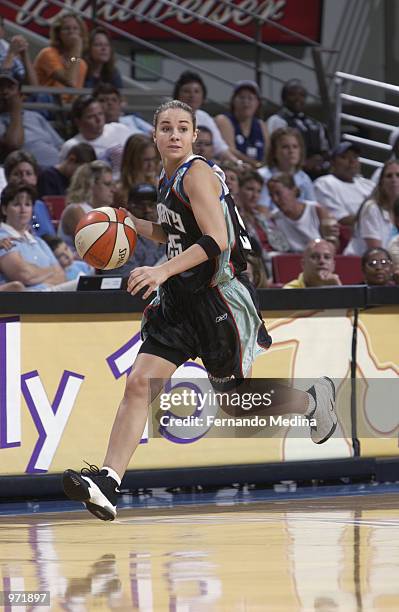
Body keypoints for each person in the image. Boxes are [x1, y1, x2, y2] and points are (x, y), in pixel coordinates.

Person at [62, 100, 337, 521]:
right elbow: (175, 232)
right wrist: (134, 225)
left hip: (217, 297)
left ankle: (310, 401)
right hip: (180, 299)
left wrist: (159, 271)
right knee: (139, 384)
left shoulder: (198, 173)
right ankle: (108, 483)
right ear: (154, 136)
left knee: (232, 399)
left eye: (182, 128)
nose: (174, 134)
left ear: (193, 136)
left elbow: (217, 240)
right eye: (166, 128)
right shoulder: (167, 175)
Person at [0, 183, 65, 290]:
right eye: (16, 204)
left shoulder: (39, 242)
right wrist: (51, 271)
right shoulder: (3, 239)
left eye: (27, 204)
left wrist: (36, 276)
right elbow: (24, 275)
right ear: (4, 209)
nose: (23, 209)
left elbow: (62, 277)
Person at [266, 79, 330, 178]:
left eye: (302, 95)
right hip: (288, 172)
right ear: (284, 98)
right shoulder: (276, 120)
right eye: (292, 94)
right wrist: (303, 163)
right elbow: (273, 149)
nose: (298, 98)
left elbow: (326, 150)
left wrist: (319, 160)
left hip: (317, 172)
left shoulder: (315, 124)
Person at [59, 94, 131, 179]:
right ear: (78, 121)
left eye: (100, 114)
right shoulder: (71, 146)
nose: (98, 120)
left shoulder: (119, 129)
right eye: (91, 116)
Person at [0, 70, 63, 165]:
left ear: (20, 93)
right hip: (30, 173)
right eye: (0, 88)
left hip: (58, 166)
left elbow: (60, 145)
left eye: (10, 87)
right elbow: (13, 144)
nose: (5, 92)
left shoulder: (36, 116)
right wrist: (16, 110)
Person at [174, 70, 237, 162]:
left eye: (196, 91)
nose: (192, 95)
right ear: (177, 96)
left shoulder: (204, 117)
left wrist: (238, 163)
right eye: (186, 91)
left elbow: (220, 147)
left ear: (203, 96)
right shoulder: (168, 117)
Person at [268, 173, 340, 252]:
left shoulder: (318, 211)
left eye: (278, 193)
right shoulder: (274, 219)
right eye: (271, 195)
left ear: (294, 190)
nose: (275, 199)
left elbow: (332, 246)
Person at [344, 160, 399, 256]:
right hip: (359, 265)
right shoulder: (371, 208)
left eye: (398, 175)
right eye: (389, 176)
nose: (394, 179)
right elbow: (377, 253)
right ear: (381, 183)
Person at [313, 142, 374, 226]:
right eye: (344, 157)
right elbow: (340, 220)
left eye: (355, 157)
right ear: (333, 162)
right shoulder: (324, 184)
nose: (352, 161)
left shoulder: (368, 185)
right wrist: (374, 219)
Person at [58, 160, 115, 249]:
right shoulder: (75, 210)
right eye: (107, 184)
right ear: (90, 184)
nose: (113, 190)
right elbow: (92, 248)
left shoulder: (109, 212)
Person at [258, 127, 316, 209]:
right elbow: (261, 209)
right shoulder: (262, 175)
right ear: (274, 151)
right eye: (285, 147)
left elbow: (312, 208)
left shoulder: (304, 178)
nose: (291, 151)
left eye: (295, 147)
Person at [34, 12, 88, 100]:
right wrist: (77, 49)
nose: (71, 32)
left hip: (65, 109)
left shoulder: (80, 63)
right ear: (58, 34)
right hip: (43, 105)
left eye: (75, 28)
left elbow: (75, 94)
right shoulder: (49, 53)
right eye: (66, 28)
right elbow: (70, 82)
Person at [215, 80, 269, 167]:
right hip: (234, 169)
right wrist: (255, 164)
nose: (246, 102)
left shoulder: (261, 125)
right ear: (233, 101)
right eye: (241, 97)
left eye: (250, 98)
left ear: (258, 103)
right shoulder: (223, 120)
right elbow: (229, 150)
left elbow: (267, 153)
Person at [3, 150, 55, 237]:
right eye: (17, 174)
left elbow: (51, 236)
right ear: (8, 178)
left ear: (35, 178)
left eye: (28, 173)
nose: (24, 178)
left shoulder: (40, 206)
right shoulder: (4, 206)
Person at [114, 134, 159, 206]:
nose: (151, 165)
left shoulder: (159, 185)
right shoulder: (119, 192)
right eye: (146, 160)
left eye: (153, 159)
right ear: (132, 160)